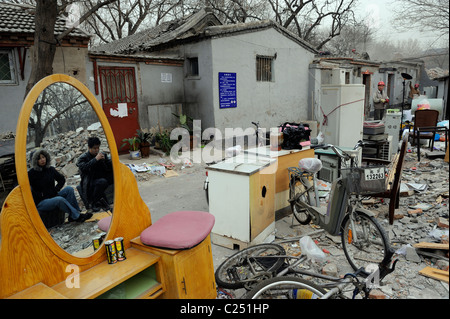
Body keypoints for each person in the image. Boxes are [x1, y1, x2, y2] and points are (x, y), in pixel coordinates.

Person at [28, 148, 92, 223]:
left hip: (53, 196)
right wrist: (40, 195)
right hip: (41, 202)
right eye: (39, 158)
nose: (42, 160)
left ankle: (75, 214)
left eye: (43, 157)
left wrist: (56, 189)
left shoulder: (50, 169)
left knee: (69, 189)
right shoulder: (31, 174)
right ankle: (77, 216)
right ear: (35, 161)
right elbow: (28, 190)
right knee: (59, 200)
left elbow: (61, 179)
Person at [77, 136, 114, 212]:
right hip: (90, 181)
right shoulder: (82, 158)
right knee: (102, 182)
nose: (96, 150)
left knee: (115, 176)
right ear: (89, 148)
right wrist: (96, 159)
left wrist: (107, 161)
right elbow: (84, 168)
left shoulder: (102, 154)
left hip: (102, 177)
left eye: (98, 148)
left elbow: (109, 167)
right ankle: (93, 202)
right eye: (94, 148)